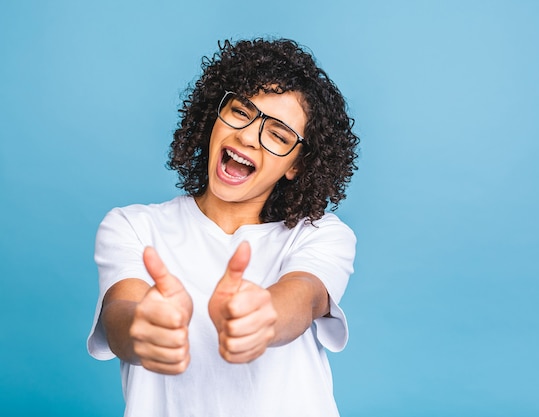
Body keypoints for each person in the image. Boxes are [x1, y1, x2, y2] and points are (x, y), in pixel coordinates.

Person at [86, 38, 359, 417]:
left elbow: (305, 296)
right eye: (240, 111)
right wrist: (142, 327)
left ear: (297, 166)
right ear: (214, 115)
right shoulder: (133, 226)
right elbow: (121, 313)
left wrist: (265, 312)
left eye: (278, 135)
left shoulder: (321, 234)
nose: (247, 136)